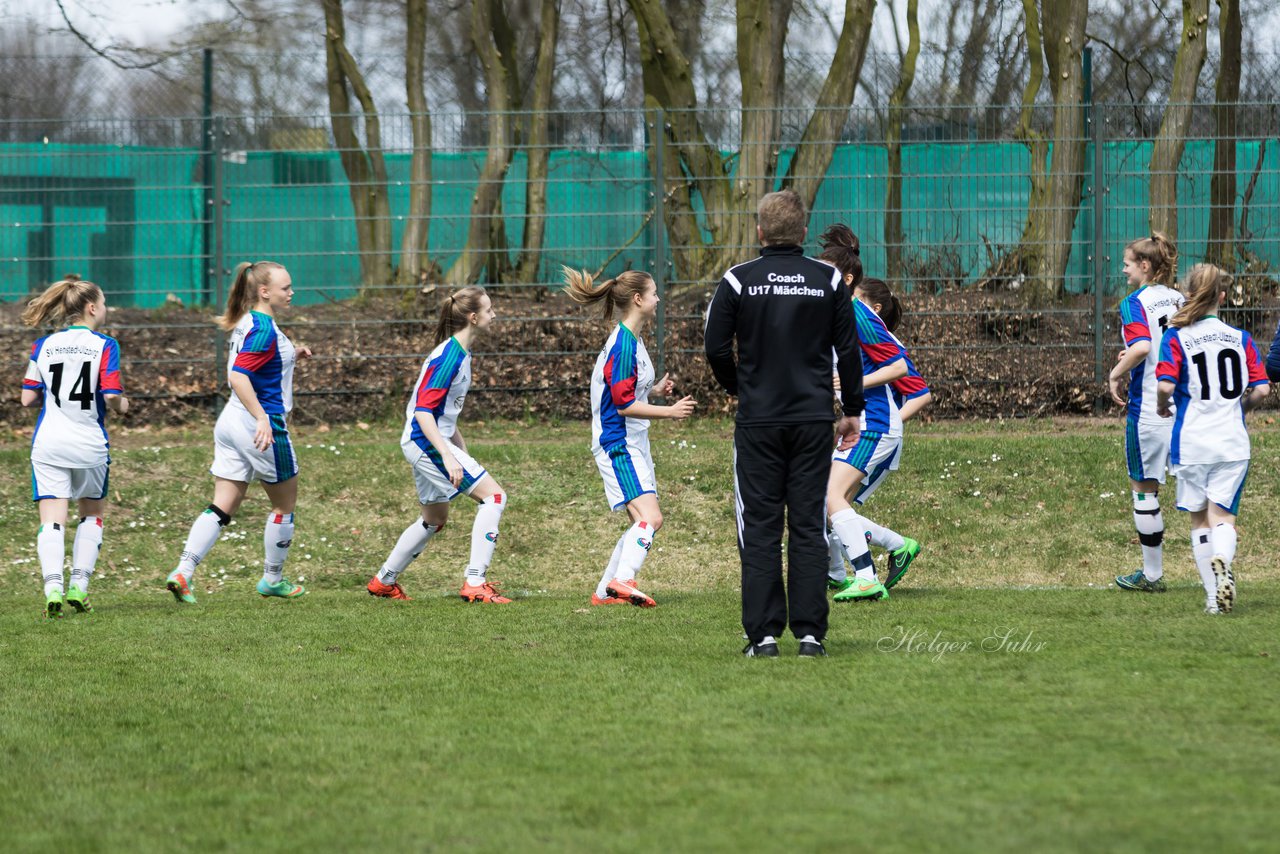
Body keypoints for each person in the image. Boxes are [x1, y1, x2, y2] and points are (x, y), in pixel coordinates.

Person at [704, 189, 864, 658]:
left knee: (760, 528)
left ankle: (764, 637)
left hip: (759, 423)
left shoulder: (738, 280)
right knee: (810, 527)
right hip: (815, 420)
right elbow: (849, 350)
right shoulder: (829, 279)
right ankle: (812, 636)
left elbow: (715, 347)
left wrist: (739, 387)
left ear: (759, 232)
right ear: (801, 233)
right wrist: (851, 409)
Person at [165, 261, 311, 604]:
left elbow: (258, 363)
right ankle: (272, 579)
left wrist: (292, 355)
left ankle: (183, 572)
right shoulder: (263, 329)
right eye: (285, 288)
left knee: (223, 504)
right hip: (259, 425)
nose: (291, 292)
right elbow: (239, 376)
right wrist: (261, 418)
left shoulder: (250, 321)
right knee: (284, 505)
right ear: (264, 291)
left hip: (230, 421)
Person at [366, 286, 512, 603]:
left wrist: (460, 451)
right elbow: (423, 413)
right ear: (473, 318)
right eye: (489, 310)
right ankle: (475, 582)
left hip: (427, 440)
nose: (494, 314)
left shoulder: (460, 352)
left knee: (434, 518)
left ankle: (384, 582)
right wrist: (447, 455)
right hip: (423, 440)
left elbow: (445, 415)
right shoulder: (449, 357)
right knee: (495, 497)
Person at [563, 267, 696, 607]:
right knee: (651, 519)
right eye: (654, 293)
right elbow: (621, 405)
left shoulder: (631, 339)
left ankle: (604, 592)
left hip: (632, 441)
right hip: (617, 443)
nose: (658, 299)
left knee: (642, 521)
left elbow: (622, 389)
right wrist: (670, 411)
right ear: (638, 299)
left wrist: (653, 390)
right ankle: (622, 581)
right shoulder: (623, 344)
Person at [1155, 264, 1268, 614]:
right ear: (1222, 296)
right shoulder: (1241, 338)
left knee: (1199, 519)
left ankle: (1212, 599)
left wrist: (1162, 406)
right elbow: (1262, 389)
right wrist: (1240, 409)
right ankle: (1224, 556)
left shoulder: (1177, 337)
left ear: (1189, 293)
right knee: (1223, 518)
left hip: (1192, 443)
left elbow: (1165, 385)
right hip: (1232, 442)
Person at [21, 275, 128, 618]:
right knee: (92, 515)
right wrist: (123, 406)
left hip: (49, 443)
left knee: (52, 520)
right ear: (92, 307)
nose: (107, 309)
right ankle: (79, 586)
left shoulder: (43, 346)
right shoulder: (105, 345)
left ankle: (52, 588)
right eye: (105, 303)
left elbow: (27, 398)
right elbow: (111, 395)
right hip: (88, 445)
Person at [820, 268, 927, 599]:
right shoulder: (850, 325)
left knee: (831, 501)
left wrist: (889, 427)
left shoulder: (872, 329)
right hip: (865, 426)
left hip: (876, 428)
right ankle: (839, 575)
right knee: (830, 508)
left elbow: (920, 391)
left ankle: (868, 571)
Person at [1106, 234, 1184, 594]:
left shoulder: (1134, 302)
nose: (1123, 268)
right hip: (1184, 410)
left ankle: (1152, 576)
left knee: (1144, 489)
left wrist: (1115, 374)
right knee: (1201, 496)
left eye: (1128, 262)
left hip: (1150, 409)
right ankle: (1218, 570)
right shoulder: (1182, 298)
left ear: (1145, 266)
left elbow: (1141, 346)